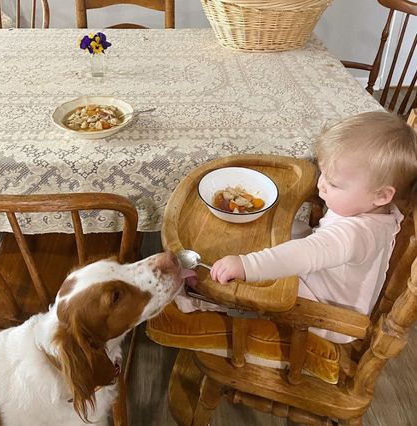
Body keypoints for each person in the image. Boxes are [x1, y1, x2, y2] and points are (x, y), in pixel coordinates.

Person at [177, 111, 417, 343]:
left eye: (333, 183)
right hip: (329, 278)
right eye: (323, 173)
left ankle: (199, 300)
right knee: (294, 228)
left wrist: (246, 265)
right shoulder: (374, 207)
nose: (321, 185)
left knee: (258, 281)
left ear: (382, 195)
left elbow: (308, 253)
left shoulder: (356, 235)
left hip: (329, 312)